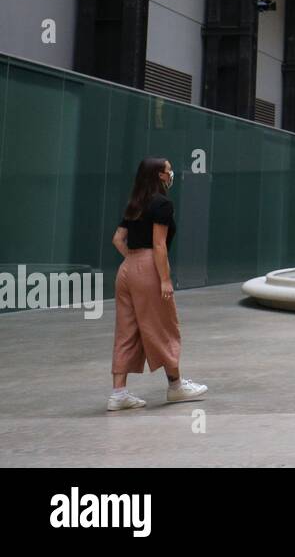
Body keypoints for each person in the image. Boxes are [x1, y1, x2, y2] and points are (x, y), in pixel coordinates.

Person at [106, 157, 207, 411]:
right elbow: (159, 244)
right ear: (159, 176)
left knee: (126, 331)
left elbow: (118, 239)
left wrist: (132, 260)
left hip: (127, 270)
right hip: (150, 267)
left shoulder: (135, 203)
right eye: (168, 170)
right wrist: (163, 279)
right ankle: (176, 386)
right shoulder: (162, 203)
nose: (171, 173)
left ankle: (118, 393)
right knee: (164, 326)